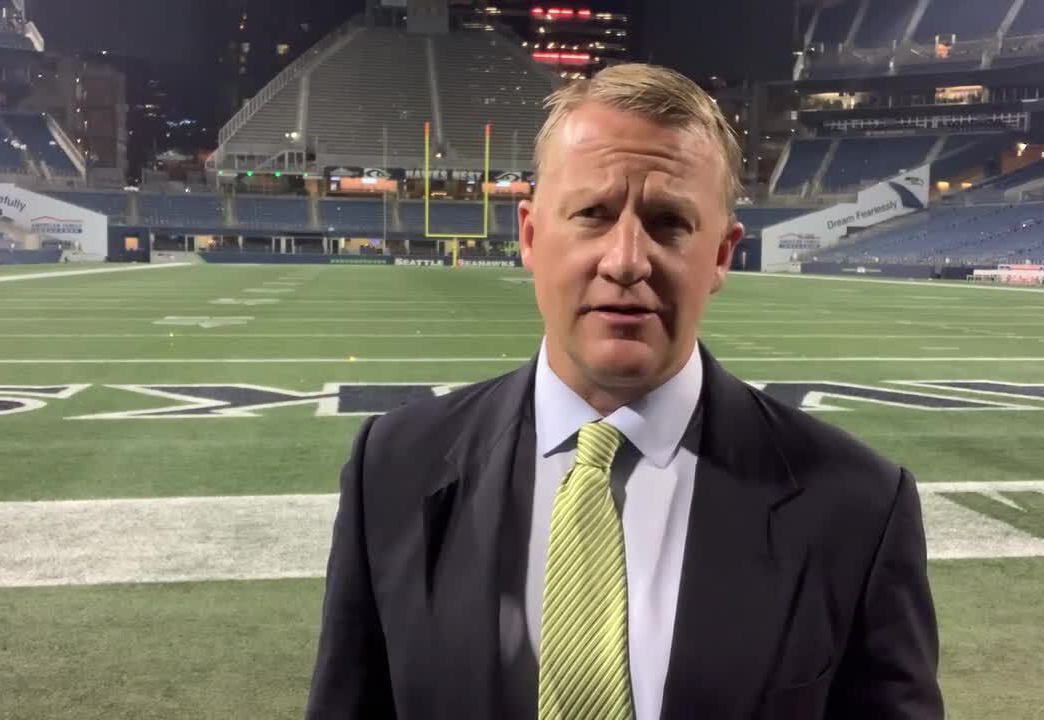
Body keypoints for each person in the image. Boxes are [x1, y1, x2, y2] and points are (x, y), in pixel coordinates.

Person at [306, 63, 944, 720]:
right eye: (593, 214)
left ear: (722, 255)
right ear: (529, 235)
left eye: (668, 222)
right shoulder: (394, 468)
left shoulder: (857, 505)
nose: (626, 260)